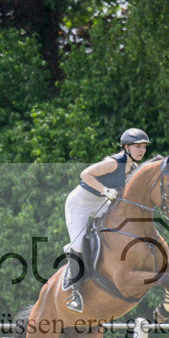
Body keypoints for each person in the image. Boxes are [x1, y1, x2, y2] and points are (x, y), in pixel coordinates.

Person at [62, 128, 150, 312]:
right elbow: (85, 174)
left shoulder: (133, 169)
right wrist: (105, 190)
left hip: (101, 203)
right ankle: (75, 292)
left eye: (143, 147)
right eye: (137, 146)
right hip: (80, 204)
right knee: (78, 244)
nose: (141, 150)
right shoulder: (113, 163)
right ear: (126, 147)